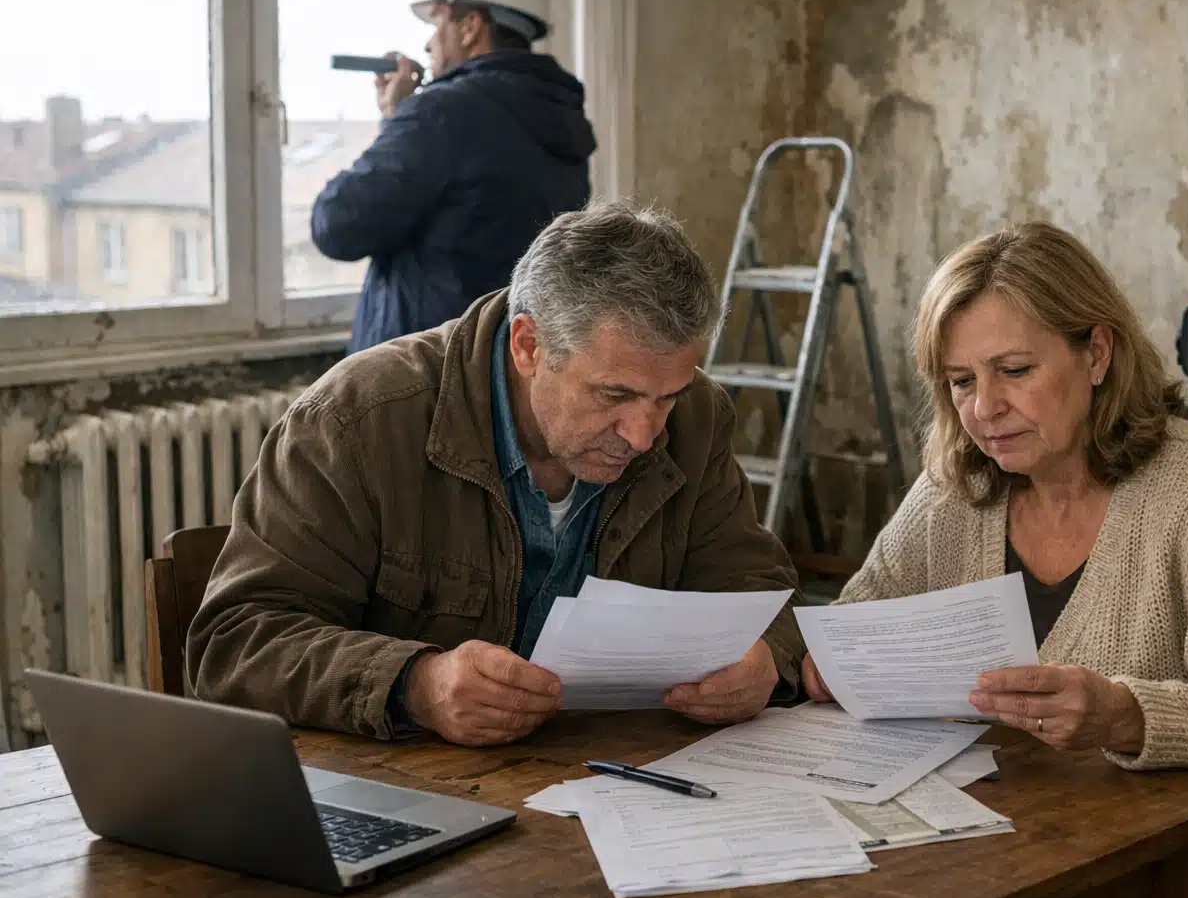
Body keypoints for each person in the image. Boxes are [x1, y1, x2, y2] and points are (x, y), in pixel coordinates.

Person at [802, 224, 1188, 898]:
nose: (984, 408)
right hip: (1055, 861)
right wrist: (830, 664)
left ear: (1096, 352)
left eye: (1015, 370)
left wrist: (1125, 715)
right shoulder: (955, 490)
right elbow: (853, 626)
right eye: (961, 381)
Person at [189, 202, 804, 746]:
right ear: (528, 346)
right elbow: (237, 642)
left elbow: (758, 587)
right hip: (405, 793)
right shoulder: (355, 420)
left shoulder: (698, 417)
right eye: (614, 395)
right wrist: (416, 684)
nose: (643, 436)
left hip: (615, 787)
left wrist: (763, 661)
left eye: (665, 397)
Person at [311, 0, 596, 355]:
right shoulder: (559, 114)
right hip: (511, 374)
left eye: (439, 22)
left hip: (426, 380)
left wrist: (400, 121)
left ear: (470, 27)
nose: (429, 43)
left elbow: (337, 225)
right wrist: (402, 117)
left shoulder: (442, 113)